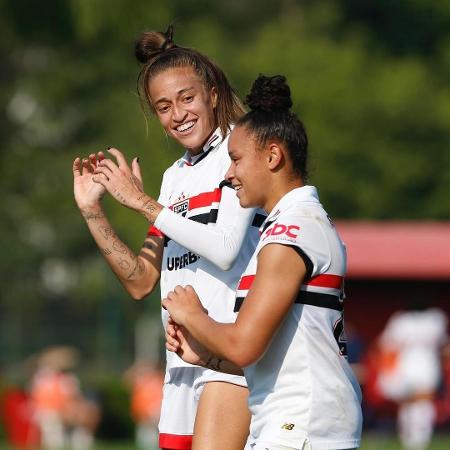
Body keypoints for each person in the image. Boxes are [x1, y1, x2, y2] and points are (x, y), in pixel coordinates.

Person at [72, 25, 263, 450]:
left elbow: (226, 249)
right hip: (181, 365)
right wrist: (93, 212)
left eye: (186, 98)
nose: (177, 114)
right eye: (163, 107)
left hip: (227, 360)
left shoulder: (239, 150)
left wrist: (141, 202)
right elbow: (141, 280)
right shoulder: (174, 177)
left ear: (212, 93)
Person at [164, 74, 363, 450]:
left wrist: (193, 315)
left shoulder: (293, 232)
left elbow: (243, 346)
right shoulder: (289, 228)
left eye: (236, 159)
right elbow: (274, 358)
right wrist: (205, 354)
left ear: (273, 156)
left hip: (300, 427)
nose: (228, 174)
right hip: (298, 425)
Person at [376, 302, 448, 450]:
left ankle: (410, 440)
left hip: (406, 367)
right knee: (421, 402)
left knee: (411, 403)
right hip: (426, 367)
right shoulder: (436, 319)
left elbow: (385, 345)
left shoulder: (400, 320)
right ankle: (419, 440)